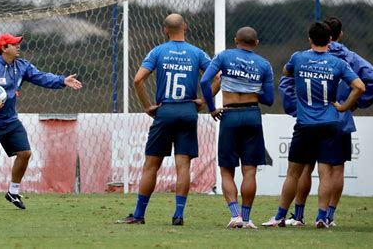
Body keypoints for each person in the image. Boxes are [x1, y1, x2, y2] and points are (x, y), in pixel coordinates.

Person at [116, 13, 218, 226]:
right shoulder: (197, 53)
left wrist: (147, 106)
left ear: (165, 30)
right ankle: (178, 215)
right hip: (188, 111)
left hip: (165, 111)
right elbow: (217, 77)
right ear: (185, 27)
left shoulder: (158, 51)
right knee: (183, 166)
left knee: (151, 165)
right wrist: (204, 101)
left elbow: (138, 80)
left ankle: (138, 214)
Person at [279, 17, 373, 227]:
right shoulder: (350, 58)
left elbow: (286, 80)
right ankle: (328, 216)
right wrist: (353, 105)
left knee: (304, 169)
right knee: (335, 169)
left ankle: (298, 216)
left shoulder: (304, 56)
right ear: (339, 35)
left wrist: (294, 107)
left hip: (308, 118)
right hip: (339, 121)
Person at [0, 34, 82, 210]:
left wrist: (62, 81)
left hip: (11, 121)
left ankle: (13, 192)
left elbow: (40, 77)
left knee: (25, 153)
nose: (18, 46)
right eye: (14, 44)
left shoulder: (21, 66)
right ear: (4, 48)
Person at [200, 26, 274, 229]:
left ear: (235, 40)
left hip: (229, 115)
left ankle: (235, 216)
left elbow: (205, 80)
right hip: (252, 114)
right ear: (256, 43)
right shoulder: (264, 65)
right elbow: (269, 99)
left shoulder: (224, 56)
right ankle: (247, 218)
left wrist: (212, 108)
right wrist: (251, 88)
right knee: (249, 171)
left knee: (226, 171)